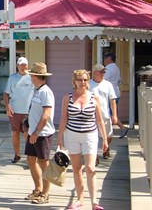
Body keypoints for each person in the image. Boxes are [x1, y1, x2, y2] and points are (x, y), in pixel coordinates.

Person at [57, 69, 108, 210]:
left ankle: (94, 202)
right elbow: (63, 118)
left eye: (85, 79)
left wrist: (104, 139)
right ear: (74, 81)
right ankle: (80, 200)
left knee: (91, 168)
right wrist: (59, 137)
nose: (83, 82)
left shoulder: (94, 97)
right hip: (72, 135)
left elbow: (99, 119)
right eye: (80, 80)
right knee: (77, 169)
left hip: (90, 135)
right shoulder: (68, 97)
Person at [24, 62, 55, 205]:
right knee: (31, 160)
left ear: (36, 76)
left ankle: (45, 193)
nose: (30, 76)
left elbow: (46, 114)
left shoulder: (45, 91)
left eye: (32, 74)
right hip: (33, 132)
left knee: (44, 163)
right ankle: (37, 189)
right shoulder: (37, 90)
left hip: (42, 134)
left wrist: (37, 131)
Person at [3, 56, 35, 163]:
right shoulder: (12, 78)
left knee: (27, 135)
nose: (23, 67)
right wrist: (7, 107)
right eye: (21, 65)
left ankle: (29, 158)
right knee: (15, 133)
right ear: (17, 66)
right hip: (15, 111)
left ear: (28, 65)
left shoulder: (32, 77)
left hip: (28, 112)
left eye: (25, 65)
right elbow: (6, 94)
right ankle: (17, 155)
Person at [89, 64, 118, 160]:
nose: (103, 74)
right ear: (94, 73)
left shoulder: (108, 84)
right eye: (101, 72)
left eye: (104, 72)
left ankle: (105, 148)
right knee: (93, 137)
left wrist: (114, 115)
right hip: (91, 116)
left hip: (105, 114)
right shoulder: (88, 84)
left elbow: (112, 100)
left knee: (108, 135)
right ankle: (95, 155)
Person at [103, 52, 129, 138]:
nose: (104, 60)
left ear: (109, 58)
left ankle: (122, 128)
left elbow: (104, 81)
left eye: (105, 58)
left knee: (109, 113)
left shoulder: (108, 68)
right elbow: (119, 80)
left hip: (110, 93)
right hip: (116, 92)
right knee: (112, 113)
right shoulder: (116, 68)